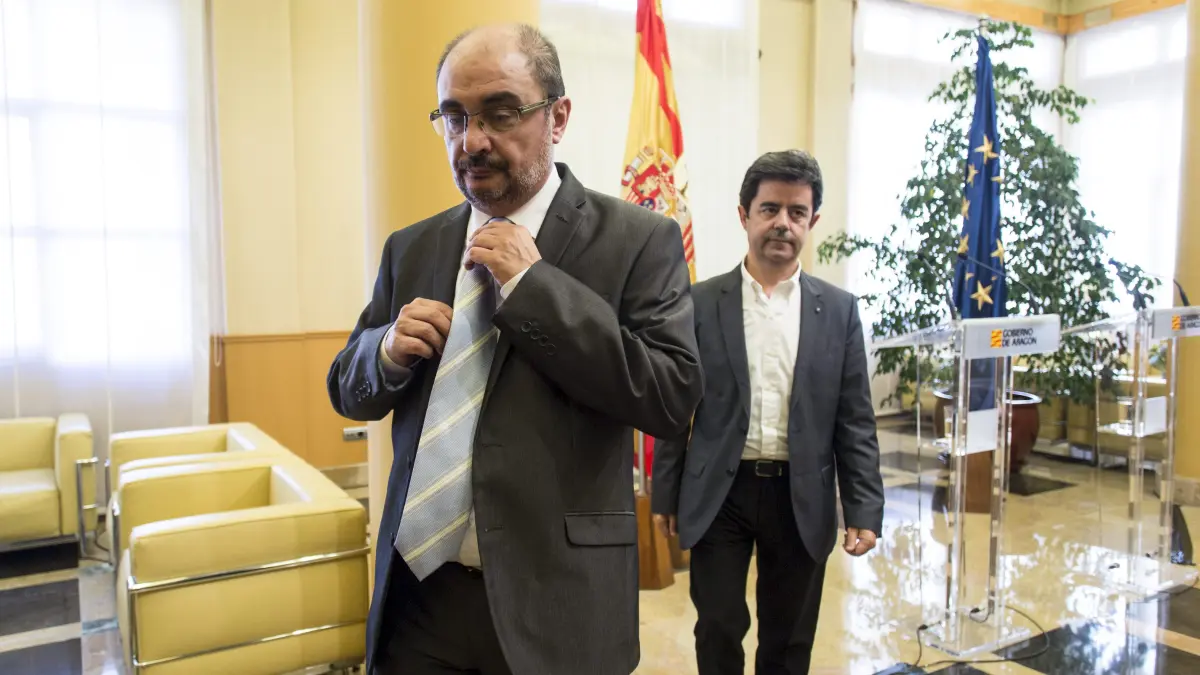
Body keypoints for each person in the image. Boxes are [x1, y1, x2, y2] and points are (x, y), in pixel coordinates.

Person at [327, 23, 703, 675]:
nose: (471, 140)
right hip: (419, 600)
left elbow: (670, 398)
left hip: (557, 606)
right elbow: (346, 387)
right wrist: (384, 351)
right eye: (453, 117)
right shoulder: (412, 247)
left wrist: (536, 289)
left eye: (500, 113)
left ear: (558, 117)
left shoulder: (637, 240)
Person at [651, 150, 885, 674]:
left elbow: (855, 419)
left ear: (812, 221)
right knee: (717, 626)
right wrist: (666, 490)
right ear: (745, 215)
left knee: (789, 638)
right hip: (721, 493)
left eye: (797, 212)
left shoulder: (839, 311)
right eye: (770, 209)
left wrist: (864, 507)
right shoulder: (699, 303)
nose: (783, 223)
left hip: (800, 495)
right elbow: (675, 405)